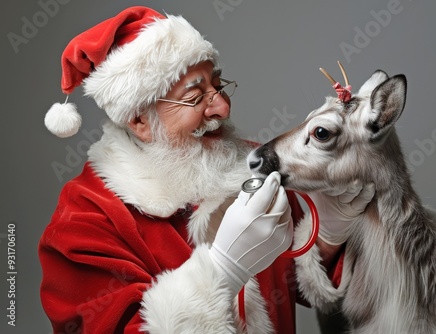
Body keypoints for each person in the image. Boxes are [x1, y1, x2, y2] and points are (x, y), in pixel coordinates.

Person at [39, 6, 374, 333]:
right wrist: (223, 272)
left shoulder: (252, 164)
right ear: (139, 120)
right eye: (195, 97)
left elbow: (305, 286)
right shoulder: (85, 217)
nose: (223, 108)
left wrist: (329, 234)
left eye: (218, 86)